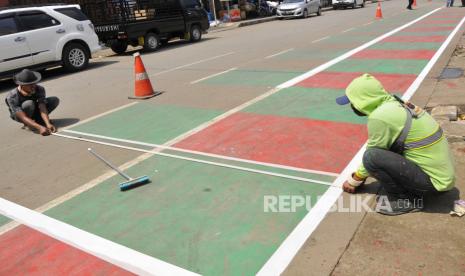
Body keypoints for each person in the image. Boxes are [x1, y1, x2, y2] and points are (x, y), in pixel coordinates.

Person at [336, 74, 455, 215]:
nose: (352, 106)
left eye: (353, 102)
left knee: (371, 157)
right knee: (387, 148)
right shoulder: (396, 102)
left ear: (363, 100)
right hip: (443, 178)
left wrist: (354, 180)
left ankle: (406, 200)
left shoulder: (380, 117)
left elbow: (374, 152)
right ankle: (411, 190)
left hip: (434, 184)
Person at [5, 69, 59, 136]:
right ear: (22, 85)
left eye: (34, 83)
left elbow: (42, 107)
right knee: (29, 103)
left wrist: (48, 123)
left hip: (35, 110)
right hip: (20, 115)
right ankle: (28, 124)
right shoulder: (12, 96)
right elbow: (21, 116)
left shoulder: (40, 89)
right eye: (29, 85)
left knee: (54, 100)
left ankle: (39, 121)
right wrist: (39, 128)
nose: (33, 86)